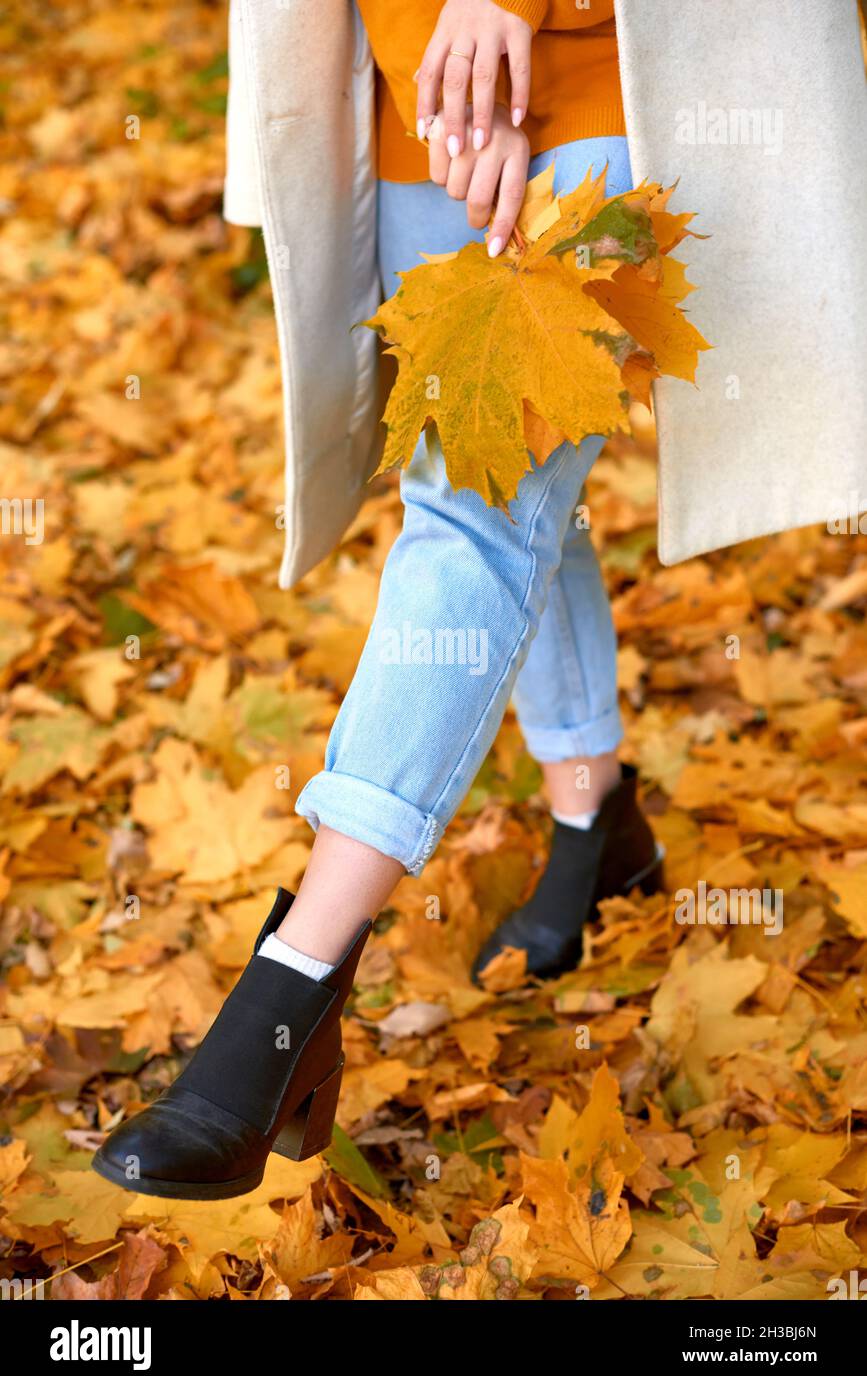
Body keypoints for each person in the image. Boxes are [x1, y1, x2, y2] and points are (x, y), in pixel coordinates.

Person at [93, 0, 866, 1200]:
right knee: (508, 507)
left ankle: (287, 993)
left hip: (623, 80)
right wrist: (450, 77)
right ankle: (594, 816)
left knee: (477, 514)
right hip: (419, 105)